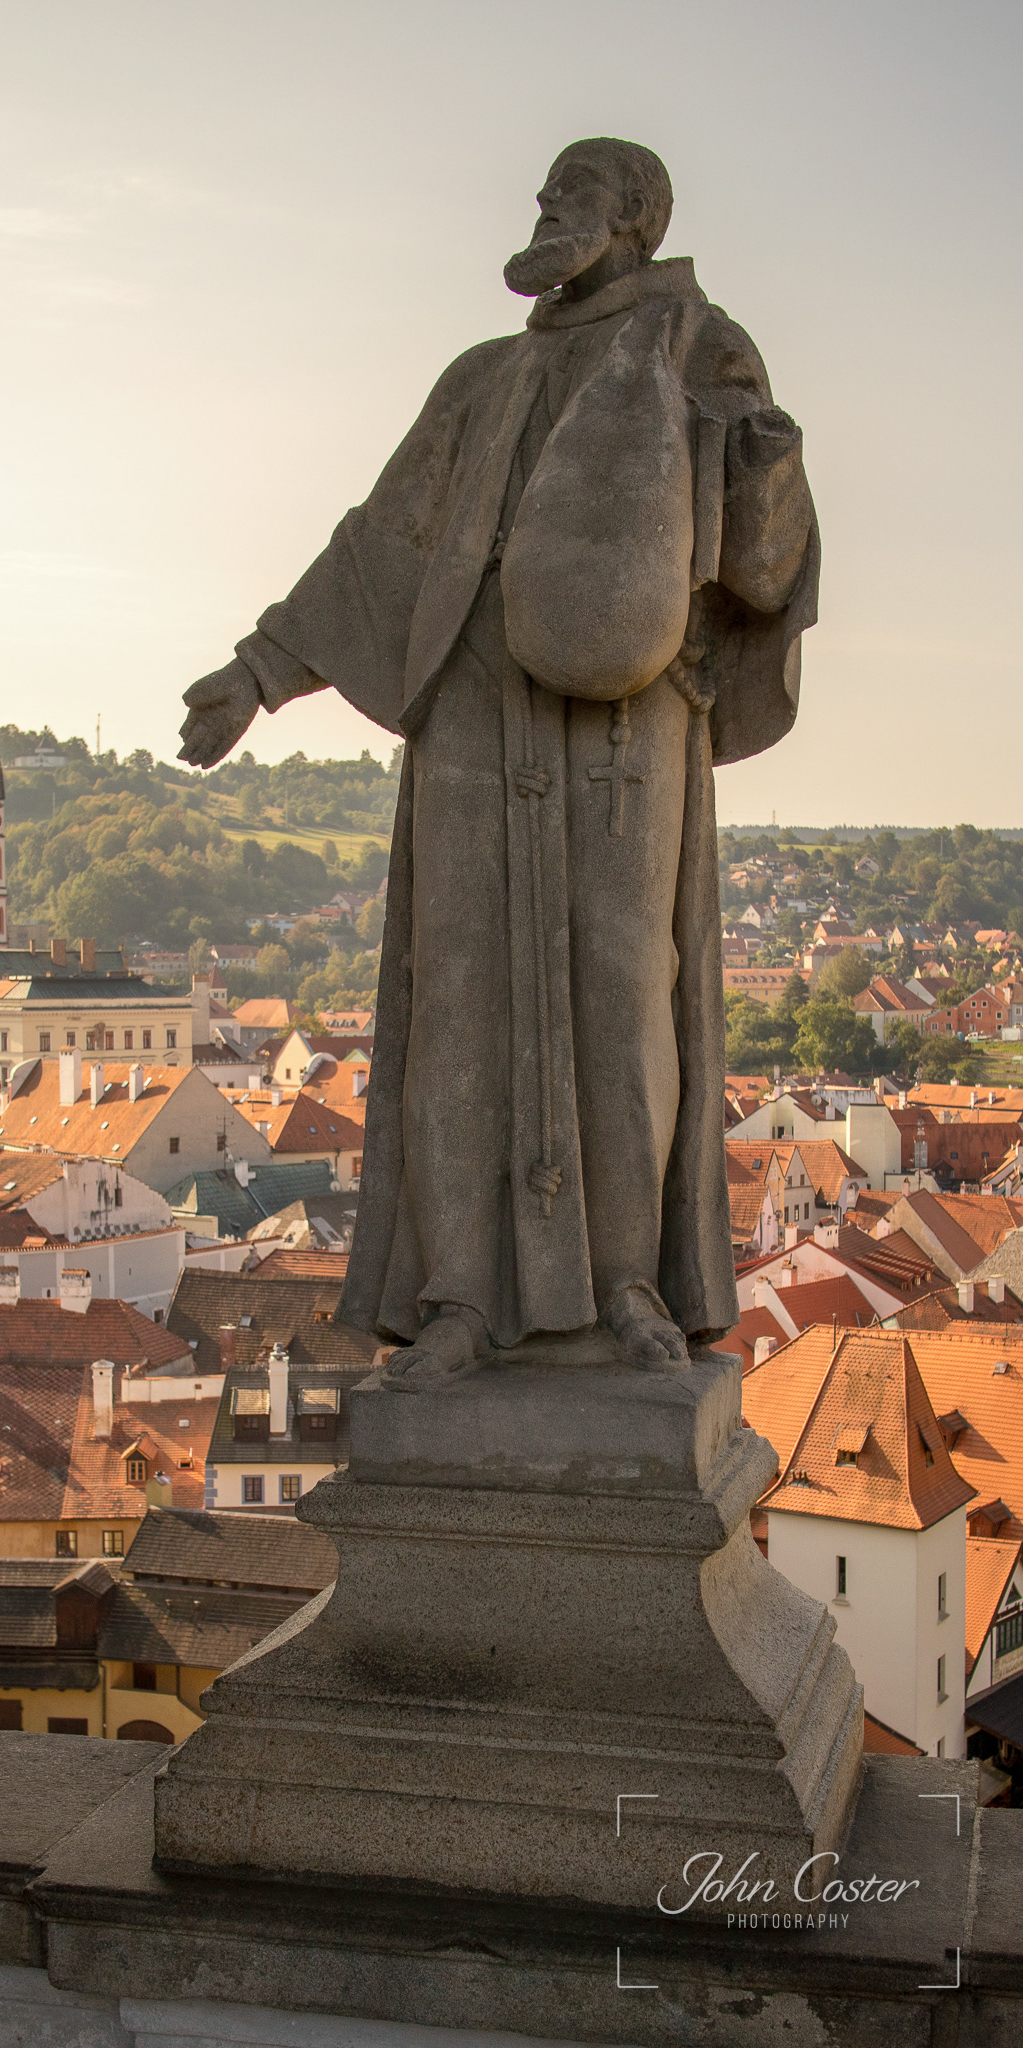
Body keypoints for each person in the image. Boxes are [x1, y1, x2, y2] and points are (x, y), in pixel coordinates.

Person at [179, 137, 816, 1383]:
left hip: (624, 725)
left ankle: (631, 1285)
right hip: (474, 714)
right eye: (544, 192)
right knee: (458, 998)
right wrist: (260, 669)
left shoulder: (703, 350)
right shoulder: (482, 377)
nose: (541, 208)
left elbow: (762, 569)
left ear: (632, 219)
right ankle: (460, 1295)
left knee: (624, 996)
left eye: (569, 194)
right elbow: (380, 545)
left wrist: (770, 471)